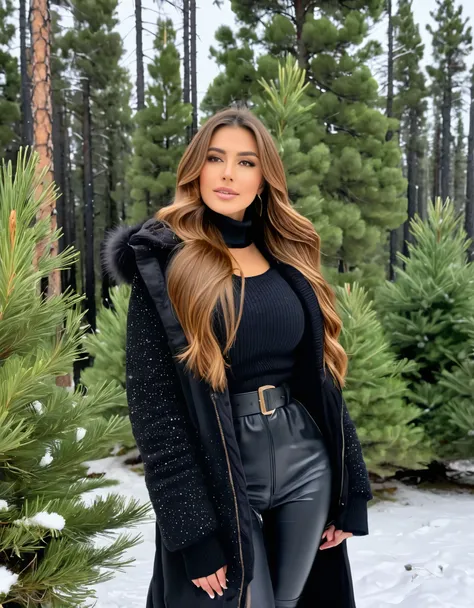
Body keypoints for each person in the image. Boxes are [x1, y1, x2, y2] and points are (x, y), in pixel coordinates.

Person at [104, 105, 373, 608]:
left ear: (264, 178)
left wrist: (350, 487)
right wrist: (192, 534)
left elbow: (323, 381)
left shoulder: (288, 258)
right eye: (215, 157)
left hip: (306, 465)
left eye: (246, 162)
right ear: (196, 170)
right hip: (220, 470)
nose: (228, 173)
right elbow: (155, 413)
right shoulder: (165, 268)